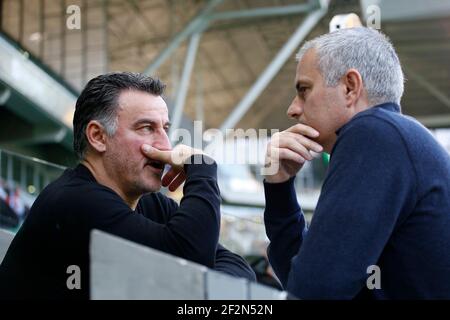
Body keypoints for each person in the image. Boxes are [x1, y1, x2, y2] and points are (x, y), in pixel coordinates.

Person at [0, 72, 255, 299]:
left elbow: (236, 266)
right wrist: (202, 168)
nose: (165, 146)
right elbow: (189, 263)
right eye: (147, 128)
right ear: (98, 137)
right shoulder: (74, 201)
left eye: (165, 128)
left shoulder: (148, 202)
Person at [263, 27, 450, 299]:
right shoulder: (395, 137)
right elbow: (300, 282)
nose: (293, 109)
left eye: (304, 90)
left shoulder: (373, 133)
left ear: (350, 87)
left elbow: (313, 291)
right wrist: (279, 189)